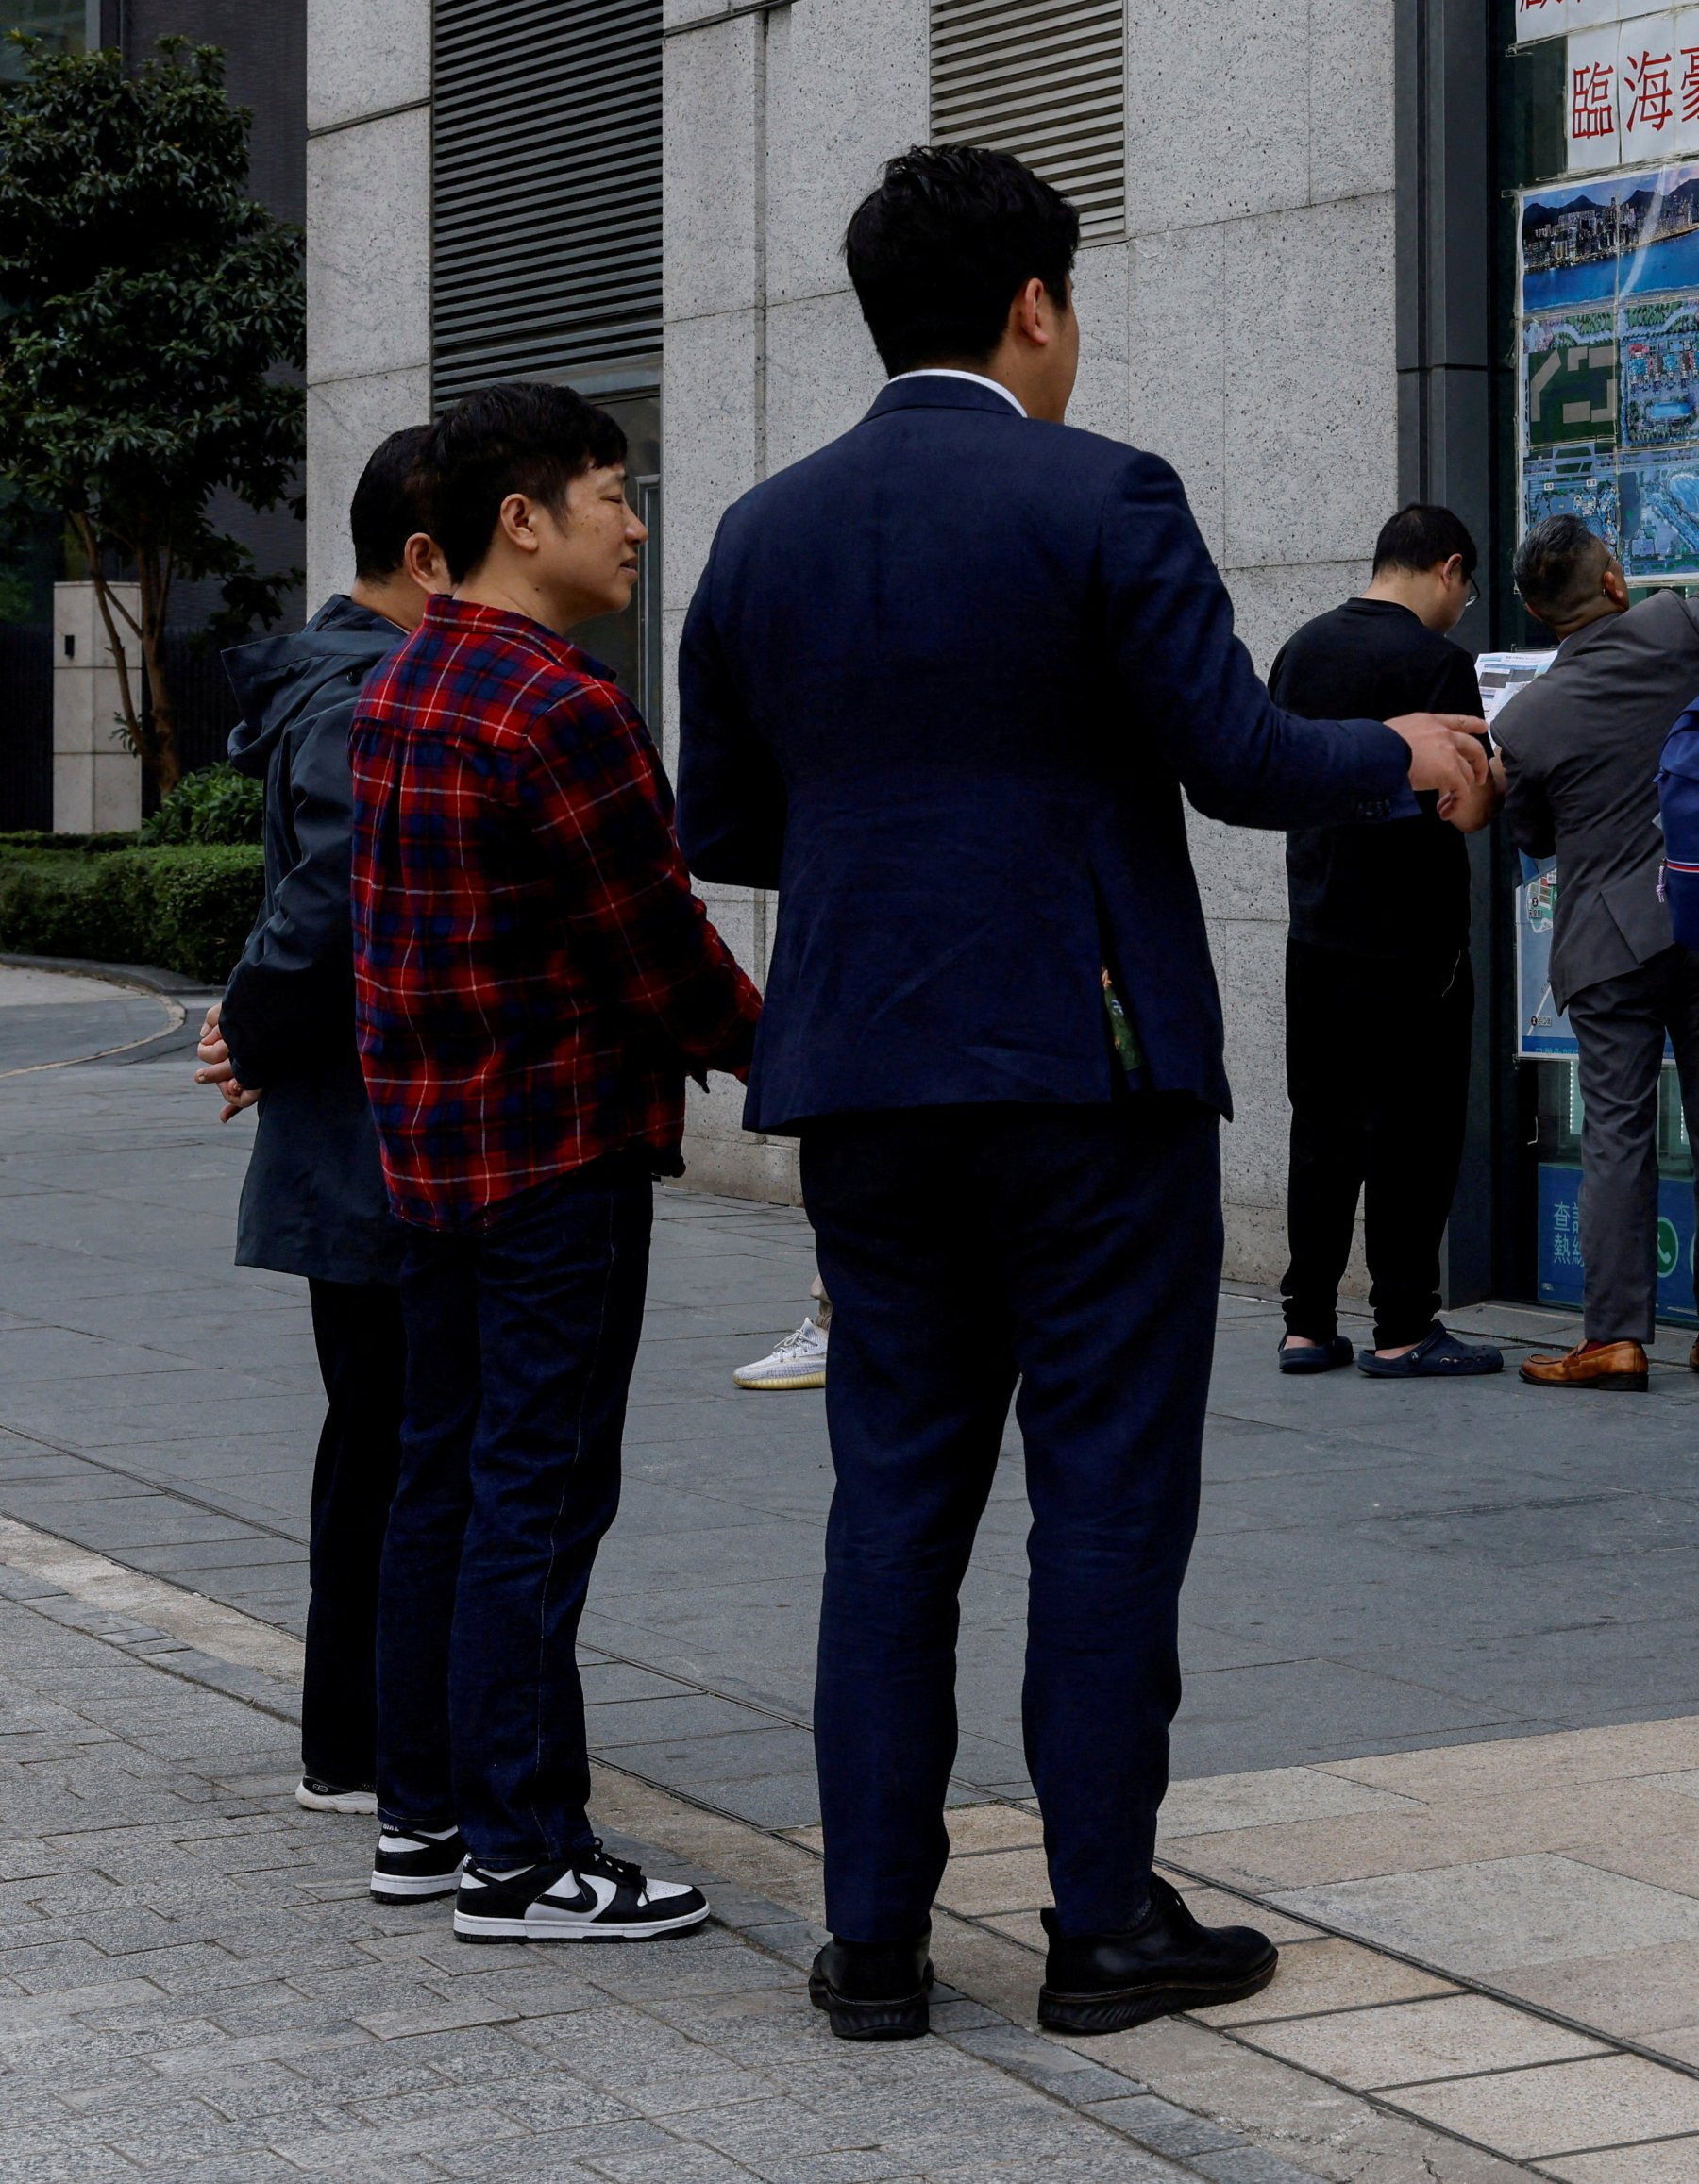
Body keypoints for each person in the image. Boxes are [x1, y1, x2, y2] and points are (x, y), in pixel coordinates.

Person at [674, 144, 1489, 2045]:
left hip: (864, 1083)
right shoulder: (1100, 488)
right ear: (1034, 305)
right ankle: (1101, 1921)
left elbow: (723, 823)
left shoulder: (761, 532)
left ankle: (871, 1938)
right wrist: (1404, 751)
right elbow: (1231, 754)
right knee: (1103, 1500)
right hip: (1088, 1075)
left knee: (893, 1501)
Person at [348, 382, 765, 1940]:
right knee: (537, 1495)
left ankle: (426, 1818)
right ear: (521, 521)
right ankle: (527, 1856)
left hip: (432, 1160)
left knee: (440, 1481)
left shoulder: (404, 688)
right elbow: (659, 956)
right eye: (611, 490)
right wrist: (797, 1059)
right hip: (556, 1157)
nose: (637, 521)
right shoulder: (558, 704)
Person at [190, 425, 447, 1817]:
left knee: (375, 1436)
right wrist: (254, 1021)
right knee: (400, 1443)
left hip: (352, 1136)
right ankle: (368, 1743)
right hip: (375, 1143)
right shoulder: (364, 692)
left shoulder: (339, 674)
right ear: (424, 551)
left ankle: (352, 1738)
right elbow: (336, 890)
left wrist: (250, 1024)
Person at [1489, 404, 1699, 1392]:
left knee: (1616, 1132)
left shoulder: (1527, 719)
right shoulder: (1672, 629)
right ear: (1614, 583)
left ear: (1543, 616)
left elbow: (1528, 833)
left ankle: (1613, 1335)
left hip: (1604, 942)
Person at [1268, 504, 1503, 1378]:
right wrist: (1501, 778)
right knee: (1414, 1130)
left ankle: (1305, 1324)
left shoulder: (1302, 649)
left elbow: (1274, 775)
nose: (1461, 607)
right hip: (1414, 947)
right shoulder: (1437, 664)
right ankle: (1402, 1325)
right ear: (1447, 568)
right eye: (1465, 590)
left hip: (1319, 930)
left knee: (1322, 1128)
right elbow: (1464, 807)